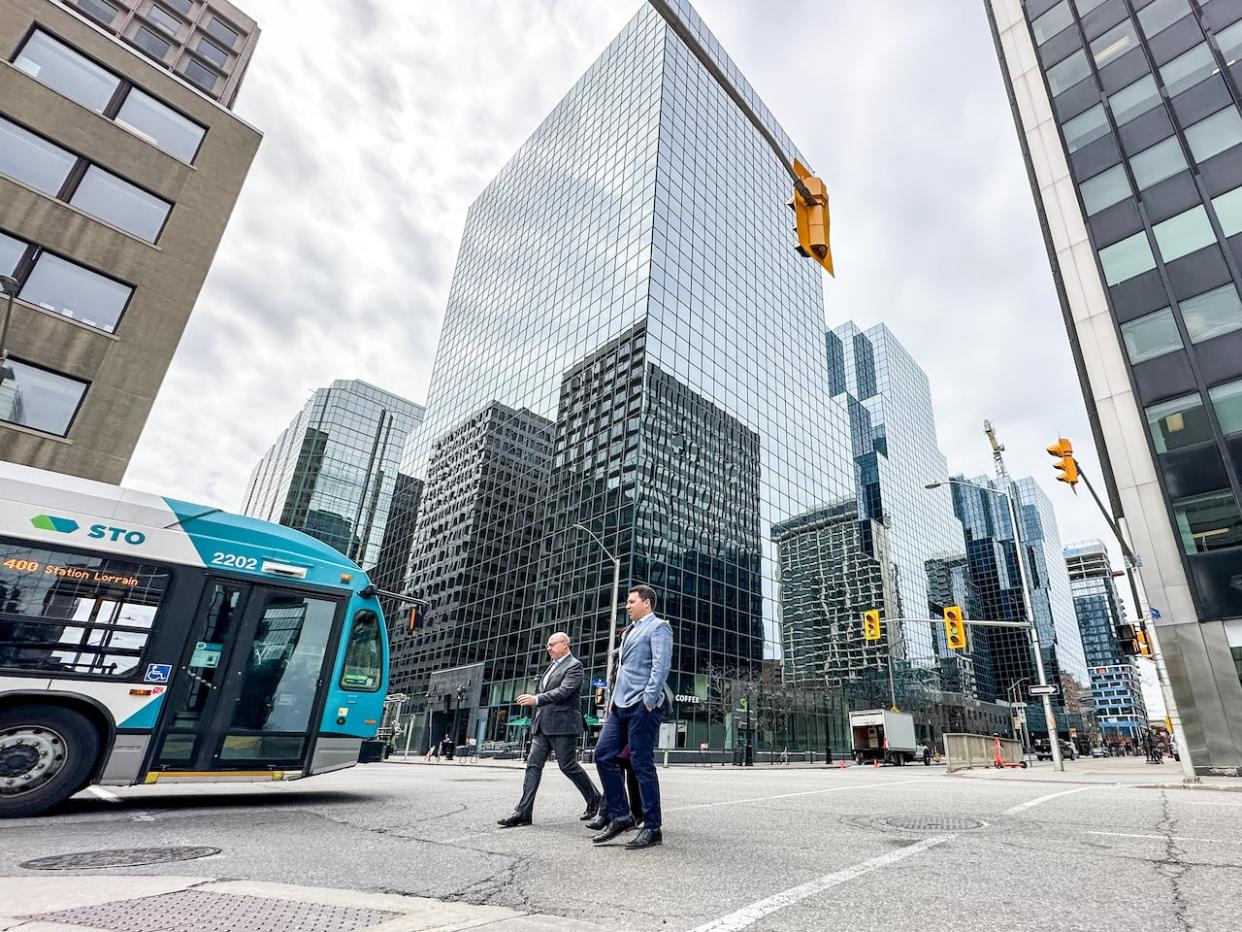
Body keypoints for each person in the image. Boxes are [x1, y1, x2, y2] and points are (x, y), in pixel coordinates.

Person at [592, 584, 672, 850]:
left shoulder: (659, 627)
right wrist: (611, 701)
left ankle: (652, 828)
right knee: (603, 755)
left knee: (641, 765)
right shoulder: (629, 631)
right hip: (619, 705)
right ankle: (621, 815)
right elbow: (622, 669)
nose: (627, 605)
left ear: (646, 603)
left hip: (642, 705)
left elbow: (660, 667)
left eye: (631, 601)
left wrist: (648, 701)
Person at [497, 632, 602, 827]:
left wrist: (536, 699)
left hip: (563, 725)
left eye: (552, 644)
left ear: (565, 645)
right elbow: (545, 690)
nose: (549, 648)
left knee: (567, 766)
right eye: (548, 645)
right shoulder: (550, 668)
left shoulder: (574, 666)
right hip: (542, 726)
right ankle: (523, 812)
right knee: (532, 766)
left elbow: (563, 691)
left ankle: (595, 798)